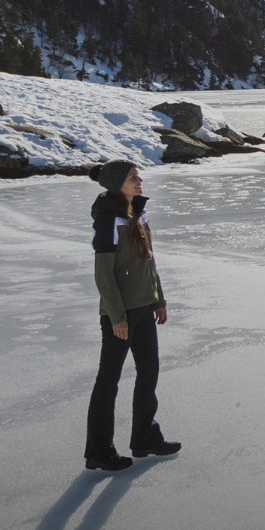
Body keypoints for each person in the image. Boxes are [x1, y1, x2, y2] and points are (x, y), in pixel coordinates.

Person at [84, 159, 181, 472]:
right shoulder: (108, 218)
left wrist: (158, 299)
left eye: (138, 175)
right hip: (120, 314)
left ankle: (144, 438)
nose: (139, 181)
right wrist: (116, 316)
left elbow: (148, 261)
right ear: (117, 185)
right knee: (108, 382)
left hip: (143, 307)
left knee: (149, 372)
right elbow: (104, 274)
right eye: (132, 177)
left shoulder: (138, 211)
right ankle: (99, 451)